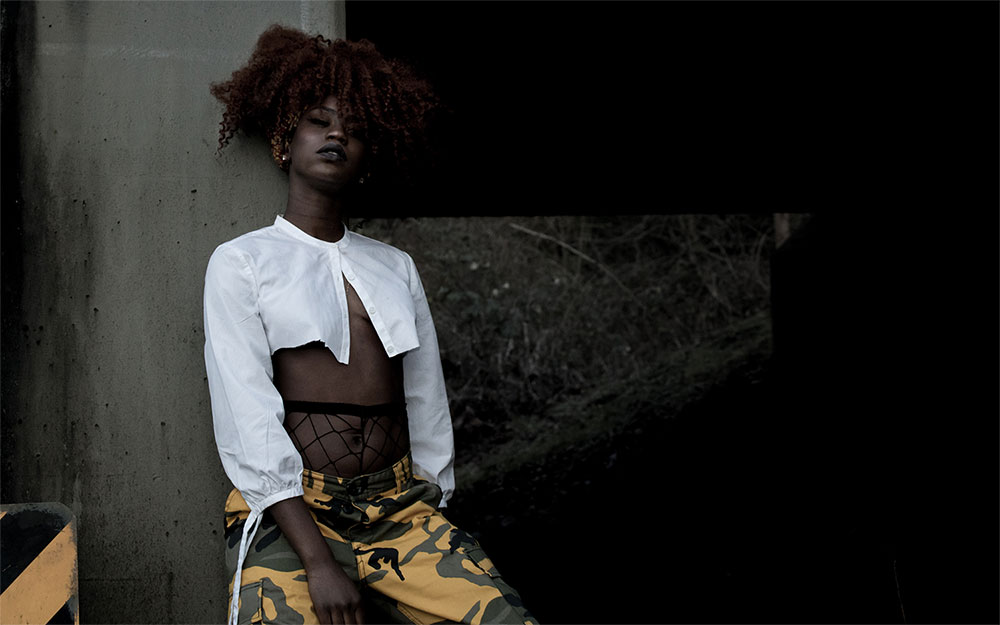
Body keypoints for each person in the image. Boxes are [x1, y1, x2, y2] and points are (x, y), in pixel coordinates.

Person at [204, 25, 535, 625]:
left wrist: (432, 504)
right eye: (318, 121)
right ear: (284, 139)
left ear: (367, 155)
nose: (337, 134)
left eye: (354, 129)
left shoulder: (394, 266)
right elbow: (246, 416)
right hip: (294, 512)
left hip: (400, 508)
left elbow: (426, 399)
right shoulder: (243, 261)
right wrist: (318, 560)